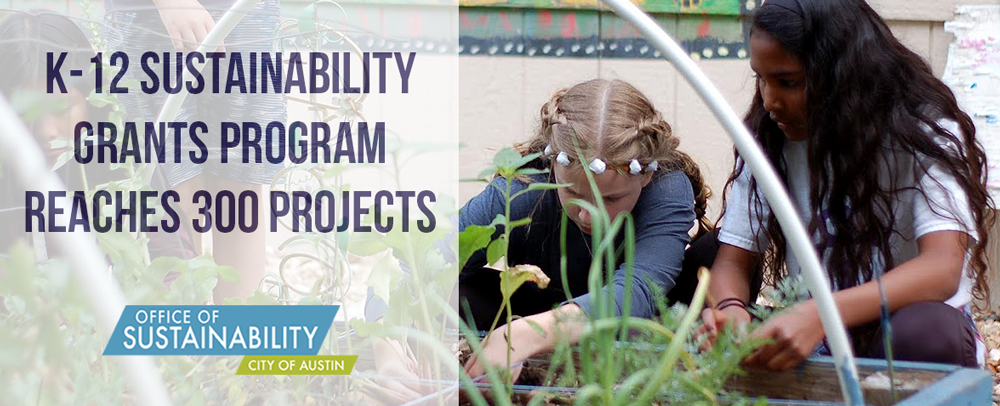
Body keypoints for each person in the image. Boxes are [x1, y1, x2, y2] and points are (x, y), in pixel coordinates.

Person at [697, 0, 992, 370]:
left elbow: (942, 268)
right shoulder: (768, 141)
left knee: (925, 332)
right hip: (814, 334)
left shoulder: (925, 134)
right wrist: (731, 311)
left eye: (789, 82)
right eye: (761, 78)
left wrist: (822, 313)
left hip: (903, 335)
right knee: (702, 327)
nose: (770, 101)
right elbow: (732, 264)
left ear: (843, 72)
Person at [461, 78, 715, 378]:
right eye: (573, 194)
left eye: (611, 199)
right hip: (536, 310)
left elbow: (640, 289)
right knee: (457, 290)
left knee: (718, 254)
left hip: (640, 328)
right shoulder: (523, 186)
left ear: (645, 176)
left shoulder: (667, 188)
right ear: (552, 165)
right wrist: (390, 349)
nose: (589, 215)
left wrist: (527, 336)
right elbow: (428, 261)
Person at [104, 0, 284, 303]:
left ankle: (240, 343)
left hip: (246, 10)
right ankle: (182, 345)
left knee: (240, 192)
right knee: (172, 191)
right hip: (146, 13)